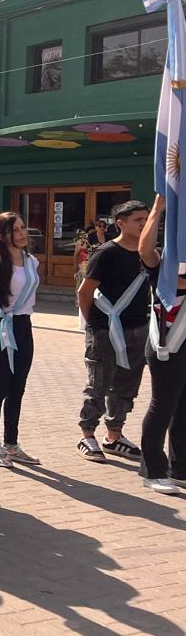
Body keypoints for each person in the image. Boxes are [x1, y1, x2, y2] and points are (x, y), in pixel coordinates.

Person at [75, 200, 150, 463]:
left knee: (126, 386)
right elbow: (85, 293)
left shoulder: (147, 252)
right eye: (138, 220)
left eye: (146, 218)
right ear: (121, 223)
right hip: (105, 330)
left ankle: (114, 436)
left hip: (138, 328)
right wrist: (96, 326)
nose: (144, 223)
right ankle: (87, 435)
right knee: (99, 383)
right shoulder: (106, 253)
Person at [0, 212, 42, 469]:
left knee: (18, 387)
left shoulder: (32, 262)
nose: (23, 233)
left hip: (24, 326)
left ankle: (12, 443)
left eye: (23, 227)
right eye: (16, 230)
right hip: (0, 327)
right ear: (2, 236)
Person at [136, 194, 186, 494]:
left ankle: (179, 469)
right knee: (162, 406)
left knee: (184, 409)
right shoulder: (162, 266)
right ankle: (153, 469)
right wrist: (157, 208)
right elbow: (144, 249)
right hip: (167, 344)